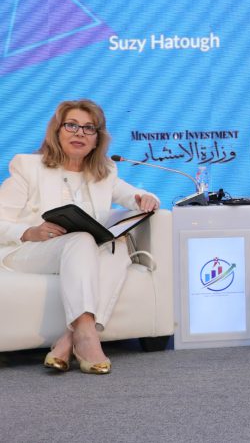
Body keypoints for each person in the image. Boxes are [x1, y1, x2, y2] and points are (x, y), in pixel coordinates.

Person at [0, 99, 160, 374]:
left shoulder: (104, 172)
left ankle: (71, 338)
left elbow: (135, 195)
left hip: (78, 251)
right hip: (28, 251)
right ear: (57, 131)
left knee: (117, 246)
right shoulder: (27, 166)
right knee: (84, 239)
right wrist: (29, 232)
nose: (80, 133)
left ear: (97, 139)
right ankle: (85, 335)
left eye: (89, 128)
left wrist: (146, 198)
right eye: (71, 125)